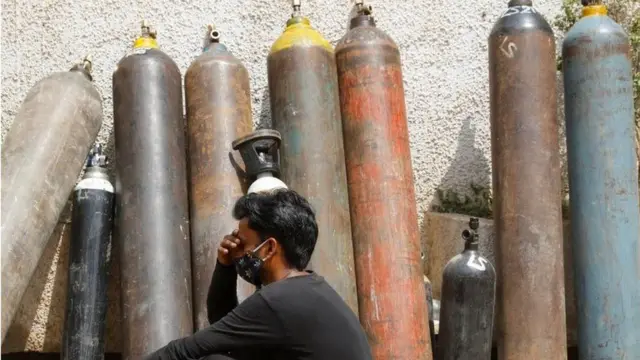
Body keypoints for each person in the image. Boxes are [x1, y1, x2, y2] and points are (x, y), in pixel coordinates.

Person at [145, 189, 372, 360]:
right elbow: (226, 331)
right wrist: (225, 266)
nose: (238, 252)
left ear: (269, 248)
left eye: (243, 244)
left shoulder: (279, 300)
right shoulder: (308, 290)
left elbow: (187, 350)